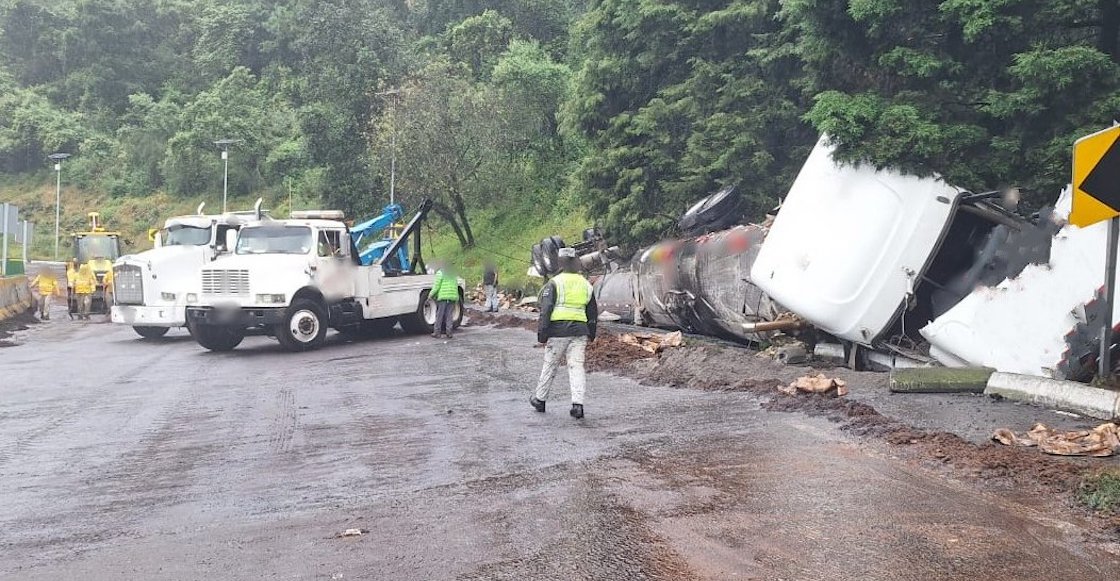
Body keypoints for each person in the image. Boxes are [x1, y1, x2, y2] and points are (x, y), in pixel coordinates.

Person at [531, 247, 598, 419]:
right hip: (580, 331)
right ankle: (578, 405)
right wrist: (592, 333)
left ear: (560, 262)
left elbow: (546, 310)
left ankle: (540, 399)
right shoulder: (586, 284)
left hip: (558, 331)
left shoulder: (554, 283)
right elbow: (592, 312)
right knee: (576, 367)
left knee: (550, 365)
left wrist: (542, 334)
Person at [430, 262, 460, 339]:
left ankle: (437, 332)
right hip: (452, 297)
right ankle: (449, 332)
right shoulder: (453, 274)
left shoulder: (440, 273)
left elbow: (436, 286)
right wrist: (456, 297)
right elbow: (455, 286)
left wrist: (430, 295)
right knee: (449, 315)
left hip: (443, 297)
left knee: (439, 315)